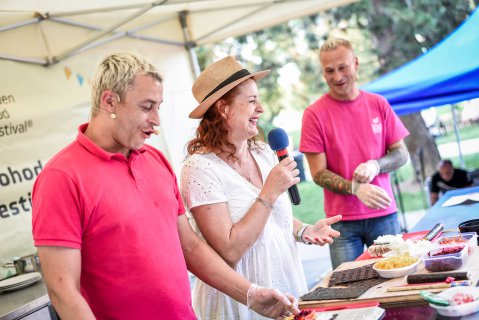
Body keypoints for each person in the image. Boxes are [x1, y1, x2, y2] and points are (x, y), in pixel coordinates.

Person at [31, 52, 300, 320]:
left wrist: (251, 294)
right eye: (147, 107)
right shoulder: (61, 178)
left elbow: (191, 248)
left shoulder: (156, 161)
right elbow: (63, 292)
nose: (157, 120)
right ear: (109, 101)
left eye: (159, 107)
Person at [181, 56, 342, 319]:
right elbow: (229, 250)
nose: (261, 109)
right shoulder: (199, 168)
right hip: (242, 303)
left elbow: (274, 218)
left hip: (287, 285)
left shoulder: (264, 151)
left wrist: (304, 230)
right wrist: (269, 192)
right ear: (223, 108)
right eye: (252, 101)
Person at [299, 38, 410, 269]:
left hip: (384, 213)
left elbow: (401, 154)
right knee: (348, 291)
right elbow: (318, 173)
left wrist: (376, 165)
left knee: (397, 278)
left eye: (342, 67)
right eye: (329, 71)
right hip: (342, 225)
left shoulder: (378, 104)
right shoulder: (314, 114)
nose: (337, 76)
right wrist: (355, 188)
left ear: (356, 63)